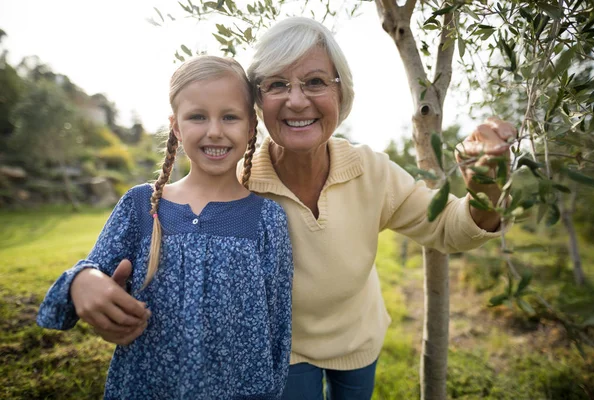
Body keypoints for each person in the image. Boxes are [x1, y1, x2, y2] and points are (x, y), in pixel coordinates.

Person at [64, 18, 516, 400]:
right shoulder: (236, 185)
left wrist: (486, 187)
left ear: (341, 94)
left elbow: (450, 230)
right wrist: (99, 292)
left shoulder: (371, 171)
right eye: (278, 84)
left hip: (359, 340)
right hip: (282, 351)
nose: (297, 100)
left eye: (315, 82)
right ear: (259, 103)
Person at [37, 55, 294, 400]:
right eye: (198, 116)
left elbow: (277, 330)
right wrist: (82, 281)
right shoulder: (141, 206)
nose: (214, 130)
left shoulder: (267, 219)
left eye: (229, 117)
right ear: (176, 126)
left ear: (250, 128)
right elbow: (91, 273)